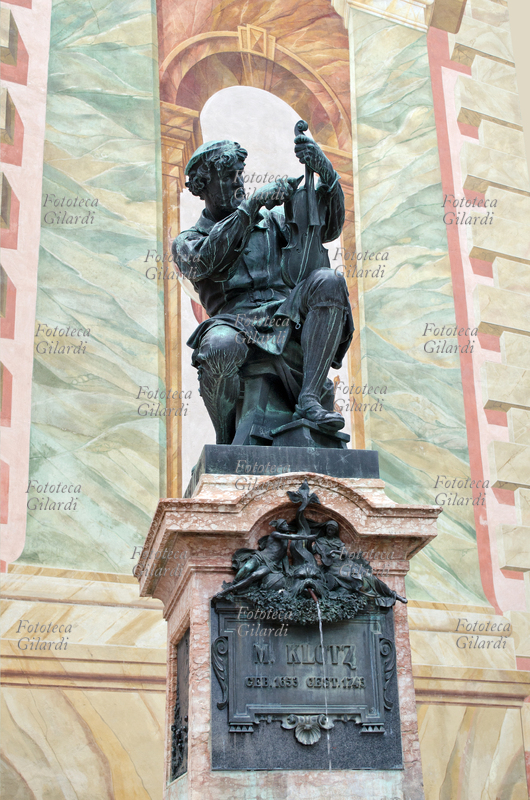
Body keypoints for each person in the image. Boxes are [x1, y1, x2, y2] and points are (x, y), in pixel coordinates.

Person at [172, 132, 354, 444]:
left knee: (330, 280)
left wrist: (325, 173)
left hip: (285, 311)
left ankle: (309, 401)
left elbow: (327, 226)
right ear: (204, 185)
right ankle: (227, 438)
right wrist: (253, 205)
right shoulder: (188, 240)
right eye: (228, 177)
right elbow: (208, 260)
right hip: (233, 320)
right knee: (218, 346)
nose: (237, 184)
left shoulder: (274, 221)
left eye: (239, 175)